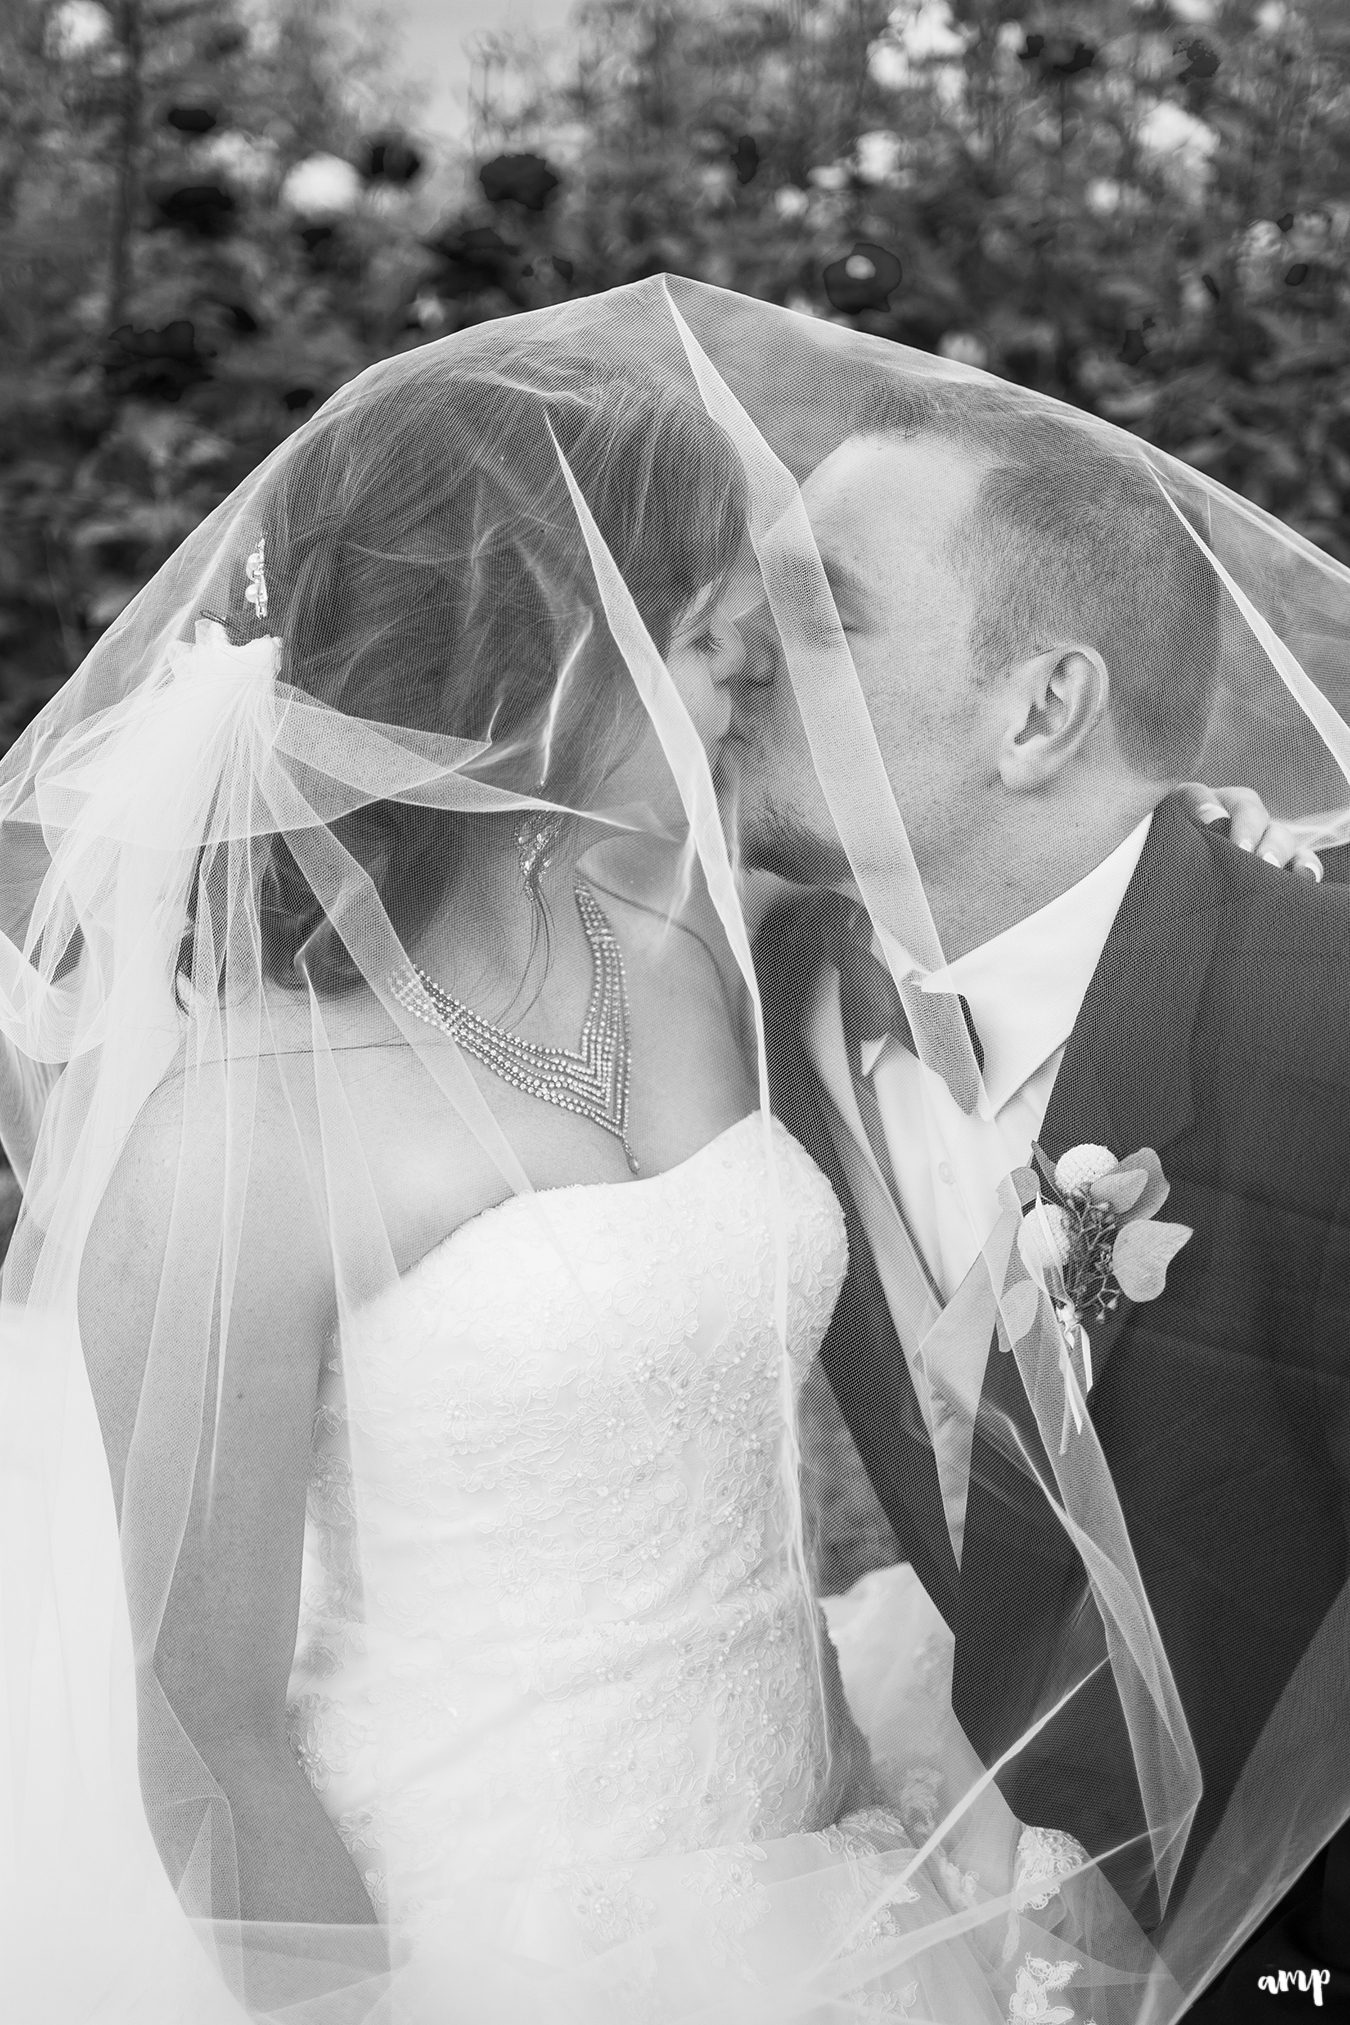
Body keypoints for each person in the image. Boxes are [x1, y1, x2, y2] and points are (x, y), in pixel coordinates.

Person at [0, 280, 1341, 2025]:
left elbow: (1060, 882)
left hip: (820, 1857)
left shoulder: (709, 953)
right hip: (488, 1915)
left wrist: (1217, 851)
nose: (743, 663)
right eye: (708, 625)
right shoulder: (232, 1150)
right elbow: (208, 1716)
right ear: (532, 662)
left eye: (782, 621)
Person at [742, 375, 1350, 2018]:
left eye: (816, 616)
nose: (728, 657)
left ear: (1038, 712)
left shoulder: (1321, 1040)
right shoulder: (741, 992)